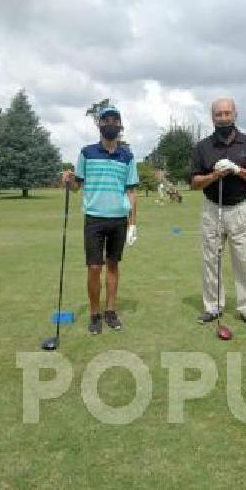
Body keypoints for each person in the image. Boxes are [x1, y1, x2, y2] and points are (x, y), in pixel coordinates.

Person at [61, 105, 140, 336]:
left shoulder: (127, 156)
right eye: (106, 120)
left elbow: (132, 192)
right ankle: (95, 313)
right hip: (94, 218)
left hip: (118, 219)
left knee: (113, 266)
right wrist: (68, 180)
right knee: (94, 267)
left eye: (115, 120)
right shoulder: (87, 153)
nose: (111, 124)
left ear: (120, 125)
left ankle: (111, 311)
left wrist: (133, 223)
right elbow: (77, 186)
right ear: (99, 125)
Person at [187, 98, 246, 327]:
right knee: (211, 259)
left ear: (235, 115)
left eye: (227, 113)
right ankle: (213, 306)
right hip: (212, 209)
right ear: (212, 117)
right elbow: (193, 182)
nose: (223, 118)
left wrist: (237, 169)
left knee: (245, 260)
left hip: (240, 208)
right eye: (218, 114)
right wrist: (214, 175)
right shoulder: (203, 147)